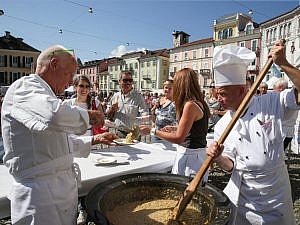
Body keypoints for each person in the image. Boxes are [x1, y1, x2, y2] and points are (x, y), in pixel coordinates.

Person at [1, 45, 117, 225]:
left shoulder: (47, 94)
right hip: (40, 198)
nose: (71, 81)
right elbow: (52, 116)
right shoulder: (23, 88)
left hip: (56, 191)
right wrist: (88, 116)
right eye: (69, 74)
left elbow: (57, 143)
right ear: (53, 64)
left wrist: (94, 139)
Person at [206, 41, 299, 225]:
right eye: (217, 94)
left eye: (222, 94)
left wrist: (284, 64)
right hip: (242, 197)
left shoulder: (271, 103)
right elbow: (231, 166)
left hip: (274, 195)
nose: (218, 99)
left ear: (242, 90)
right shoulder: (221, 126)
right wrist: (217, 157)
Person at [140, 68, 210, 179]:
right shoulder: (200, 102)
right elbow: (195, 129)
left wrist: (152, 131)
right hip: (197, 156)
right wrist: (175, 128)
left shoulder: (190, 105)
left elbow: (179, 138)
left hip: (190, 159)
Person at [106, 70, 148, 137]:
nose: (128, 83)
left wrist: (145, 124)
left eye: (130, 80)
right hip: (117, 132)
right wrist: (112, 109)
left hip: (133, 134)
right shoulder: (115, 96)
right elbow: (108, 115)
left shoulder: (138, 97)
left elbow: (144, 114)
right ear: (119, 81)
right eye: (125, 80)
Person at [273, 78, 298, 151]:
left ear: (280, 88)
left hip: (284, 131)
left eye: (275, 88)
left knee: (278, 153)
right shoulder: (290, 96)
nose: (274, 91)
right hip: (288, 131)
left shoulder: (286, 95)